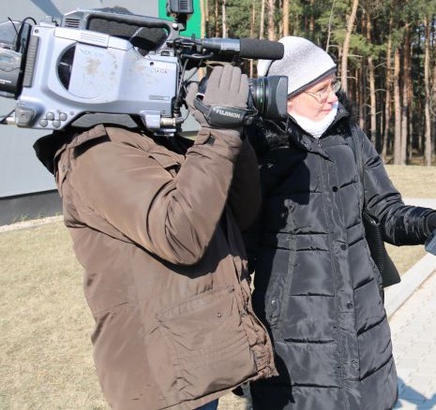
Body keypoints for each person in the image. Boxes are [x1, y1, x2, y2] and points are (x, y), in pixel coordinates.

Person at [32, 65, 277, 409]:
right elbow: (180, 235)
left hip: (193, 366)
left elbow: (241, 213)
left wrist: (235, 132)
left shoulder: (158, 140)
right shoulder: (96, 153)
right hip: (160, 380)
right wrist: (218, 131)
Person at [244, 36, 436, 410]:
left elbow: (386, 208)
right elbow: (238, 255)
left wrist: (428, 222)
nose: (332, 97)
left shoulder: (349, 134)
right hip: (294, 335)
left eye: (333, 84)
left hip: (363, 319)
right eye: (321, 89)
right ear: (286, 96)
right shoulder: (258, 148)